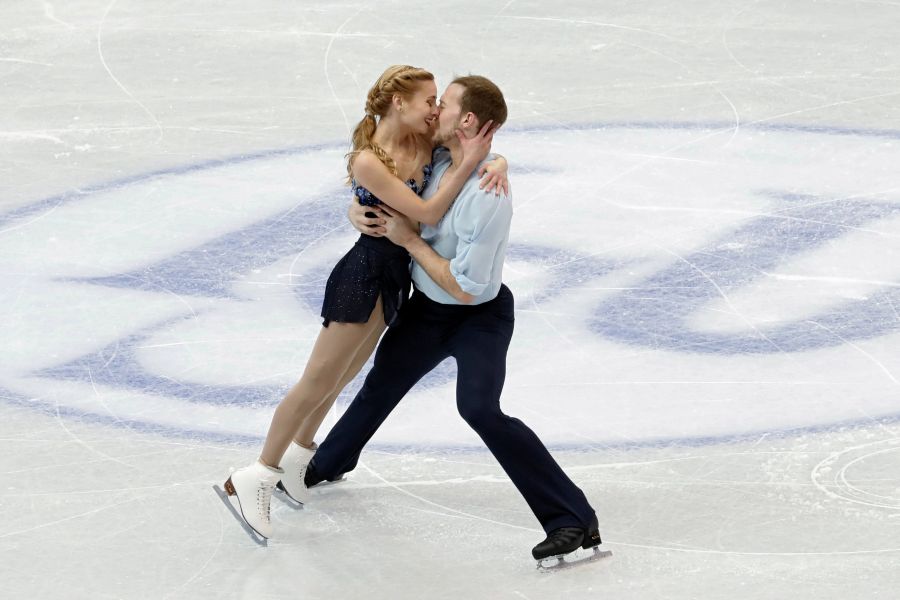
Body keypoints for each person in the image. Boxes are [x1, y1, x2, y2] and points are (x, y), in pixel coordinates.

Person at [303, 75, 602, 564]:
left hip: (478, 317)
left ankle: (572, 518)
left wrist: (411, 242)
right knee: (382, 383)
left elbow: (467, 286)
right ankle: (327, 463)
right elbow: (385, 179)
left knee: (480, 409)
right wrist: (358, 214)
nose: (434, 108)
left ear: (466, 120)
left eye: (444, 104)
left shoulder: (488, 195)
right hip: (426, 311)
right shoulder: (439, 157)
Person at [216, 65, 507, 543]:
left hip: (395, 278)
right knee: (318, 380)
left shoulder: (423, 140)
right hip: (364, 276)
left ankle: (297, 459)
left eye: (438, 102)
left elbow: (465, 146)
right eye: (428, 100)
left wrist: (496, 162)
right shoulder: (369, 159)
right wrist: (473, 162)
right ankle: (255, 476)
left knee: (344, 376)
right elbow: (429, 213)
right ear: (398, 102)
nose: (435, 109)